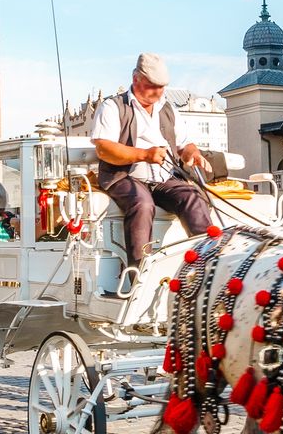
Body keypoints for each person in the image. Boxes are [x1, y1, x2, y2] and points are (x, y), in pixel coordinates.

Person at [89, 52, 213, 272]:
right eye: (152, 85)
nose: (158, 92)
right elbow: (104, 149)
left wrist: (192, 154)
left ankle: (208, 264)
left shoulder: (168, 109)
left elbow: (184, 145)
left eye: (162, 87)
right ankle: (139, 274)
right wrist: (145, 155)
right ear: (136, 78)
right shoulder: (112, 107)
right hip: (125, 176)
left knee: (193, 197)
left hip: (164, 178)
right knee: (142, 204)